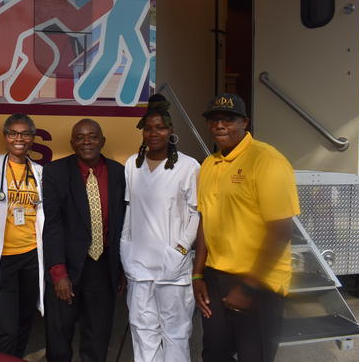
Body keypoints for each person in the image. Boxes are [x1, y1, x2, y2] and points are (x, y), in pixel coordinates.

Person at [193, 93, 300, 362]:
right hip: (217, 278)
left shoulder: (267, 161)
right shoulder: (208, 164)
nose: (220, 125)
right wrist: (198, 276)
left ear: (245, 123)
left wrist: (249, 287)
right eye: (214, 119)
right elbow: (206, 220)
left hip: (259, 282)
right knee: (214, 355)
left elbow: (281, 231)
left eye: (228, 119)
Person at [121, 94, 199, 361]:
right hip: (139, 265)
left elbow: (196, 214)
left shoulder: (188, 166)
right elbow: (129, 210)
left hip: (172, 267)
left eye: (161, 127)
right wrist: (125, 247)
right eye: (148, 128)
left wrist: (180, 250)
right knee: (142, 329)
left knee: (176, 332)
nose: (154, 133)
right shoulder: (133, 164)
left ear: (171, 131)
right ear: (142, 132)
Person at [42, 118, 126, 362]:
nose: (86, 141)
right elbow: (53, 225)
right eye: (80, 137)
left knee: (97, 336)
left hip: (103, 267)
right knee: (59, 336)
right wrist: (59, 273)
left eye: (92, 136)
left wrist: (121, 268)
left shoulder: (118, 173)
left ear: (103, 141)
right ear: (72, 143)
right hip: (67, 268)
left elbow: (122, 224)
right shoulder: (55, 172)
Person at [0, 113, 45, 357]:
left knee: (26, 319)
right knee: (7, 327)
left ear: (32, 138)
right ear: (6, 137)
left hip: (31, 255)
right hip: (3, 257)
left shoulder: (38, 172)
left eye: (25, 134)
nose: (20, 139)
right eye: (14, 133)